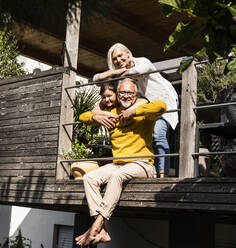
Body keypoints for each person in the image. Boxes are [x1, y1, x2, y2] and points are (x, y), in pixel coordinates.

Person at [75, 78, 166, 246]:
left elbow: (162, 106)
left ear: (136, 94)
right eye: (122, 93)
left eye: (130, 93)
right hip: (119, 163)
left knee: (117, 175)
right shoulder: (111, 112)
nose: (126, 96)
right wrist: (96, 118)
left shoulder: (144, 112)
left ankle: (96, 225)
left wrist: (133, 112)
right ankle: (101, 229)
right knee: (90, 178)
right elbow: (82, 116)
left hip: (143, 164)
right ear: (117, 94)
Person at [92, 43, 178, 177]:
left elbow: (137, 72)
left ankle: (163, 174)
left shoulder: (143, 61)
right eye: (114, 59)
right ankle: (151, 171)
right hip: (144, 107)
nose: (118, 60)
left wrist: (119, 73)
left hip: (163, 102)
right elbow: (95, 79)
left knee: (158, 134)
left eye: (120, 56)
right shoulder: (119, 74)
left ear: (128, 53)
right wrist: (114, 72)